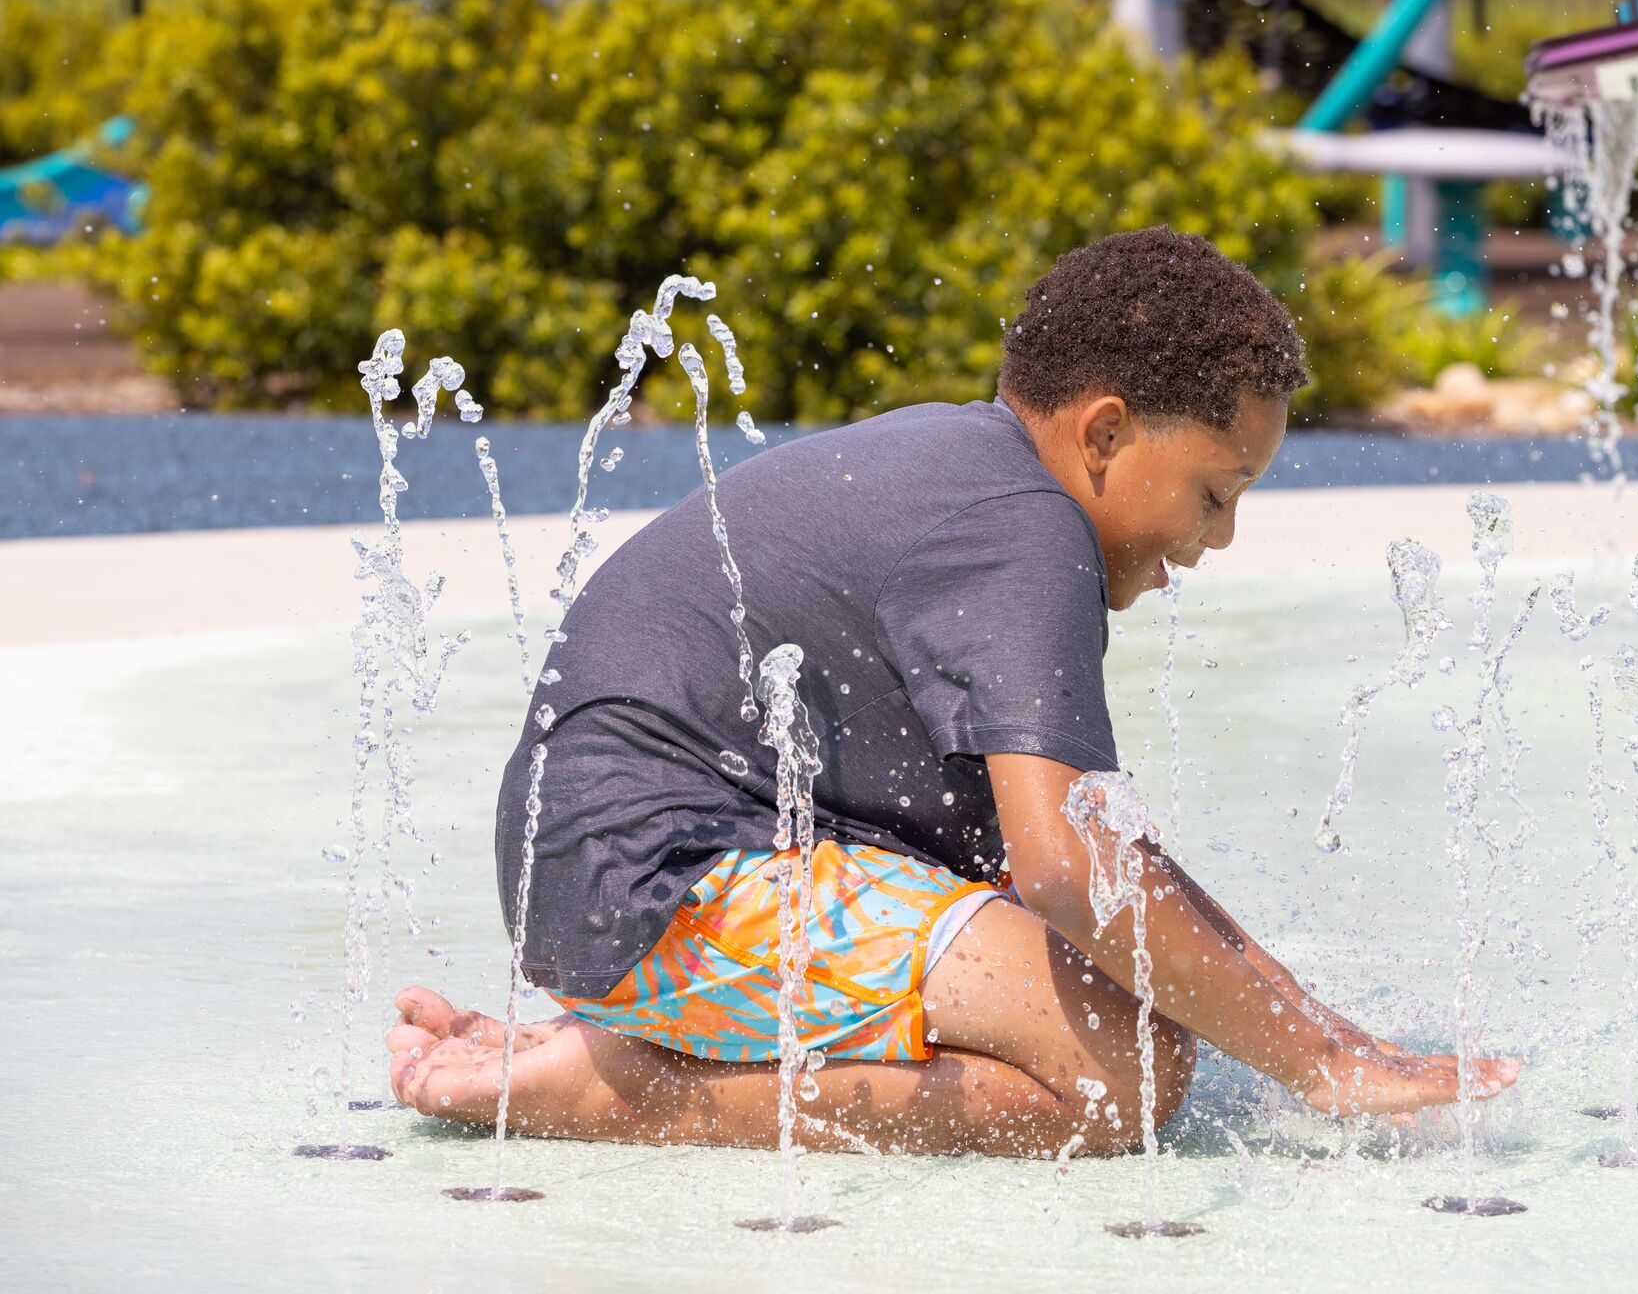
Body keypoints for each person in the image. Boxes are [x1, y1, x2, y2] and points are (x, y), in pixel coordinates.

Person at [385, 227, 1518, 1157]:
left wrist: (1325, 1030)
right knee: (1120, 1071)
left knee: (1131, 1002)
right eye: (1216, 493)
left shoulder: (981, 481)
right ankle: (612, 1089)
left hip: (618, 867)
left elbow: (1106, 851)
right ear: (1107, 432)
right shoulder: (1025, 532)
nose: (1218, 538)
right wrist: (1322, 1066)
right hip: (656, 876)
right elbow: (1066, 873)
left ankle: (629, 1049)